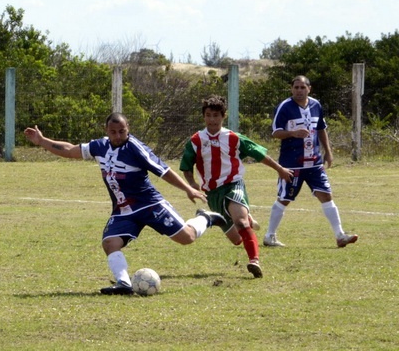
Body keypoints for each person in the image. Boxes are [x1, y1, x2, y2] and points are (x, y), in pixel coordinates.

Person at [24, 112, 226, 295]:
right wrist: (42, 141)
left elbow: (163, 171)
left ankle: (205, 218)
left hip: (149, 205)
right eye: (113, 132)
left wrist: (188, 189)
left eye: (122, 131)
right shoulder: (99, 146)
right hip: (123, 210)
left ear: (128, 128)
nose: (118, 135)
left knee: (187, 238)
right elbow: (69, 150)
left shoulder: (136, 149)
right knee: (110, 243)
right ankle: (124, 283)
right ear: (107, 131)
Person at [180, 95, 293, 278]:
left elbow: (258, 154)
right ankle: (231, 219)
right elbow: (186, 167)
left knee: (240, 222)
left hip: (233, 184)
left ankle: (254, 261)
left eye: (216, 115)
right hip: (212, 193)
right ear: (204, 117)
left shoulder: (233, 138)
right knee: (237, 239)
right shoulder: (196, 141)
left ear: (223, 116)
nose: (212, 119)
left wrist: (279, 169)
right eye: (208, 115)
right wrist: (192, 185)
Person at [263, 75, 358, 248]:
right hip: (292, 164)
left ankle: (340, 235)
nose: (299, 91)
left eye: (302, 87)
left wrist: (328, 152)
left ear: (309, 88)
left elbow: (321, 129)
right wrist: (292, 133)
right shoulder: (284, 107)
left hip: (314, 163)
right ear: (292, 89)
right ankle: (269, 236)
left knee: (326, 195)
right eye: (296, 87)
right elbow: (275, 132)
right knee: (284, 198)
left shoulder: (316, 105)